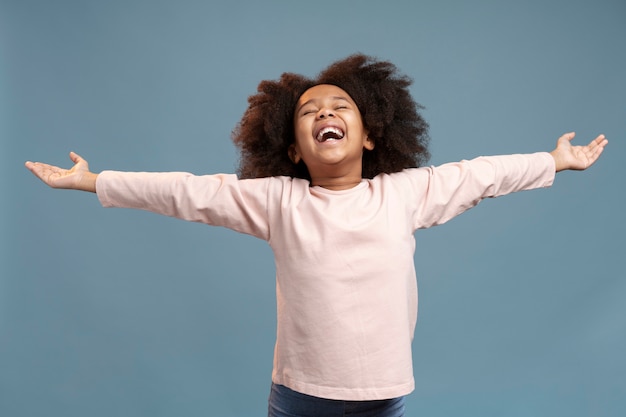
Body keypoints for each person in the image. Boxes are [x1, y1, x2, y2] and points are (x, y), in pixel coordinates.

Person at [25, 54, 607, 417]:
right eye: (308, 112)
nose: (323, 113)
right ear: (291, 148)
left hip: (383, 393)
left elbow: (481, 173)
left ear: (372, 136)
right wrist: (94, 180)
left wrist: (553, 161)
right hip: (300, 395)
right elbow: (186, 191)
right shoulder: (279, 201)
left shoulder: (404, 194)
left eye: (338, 106)